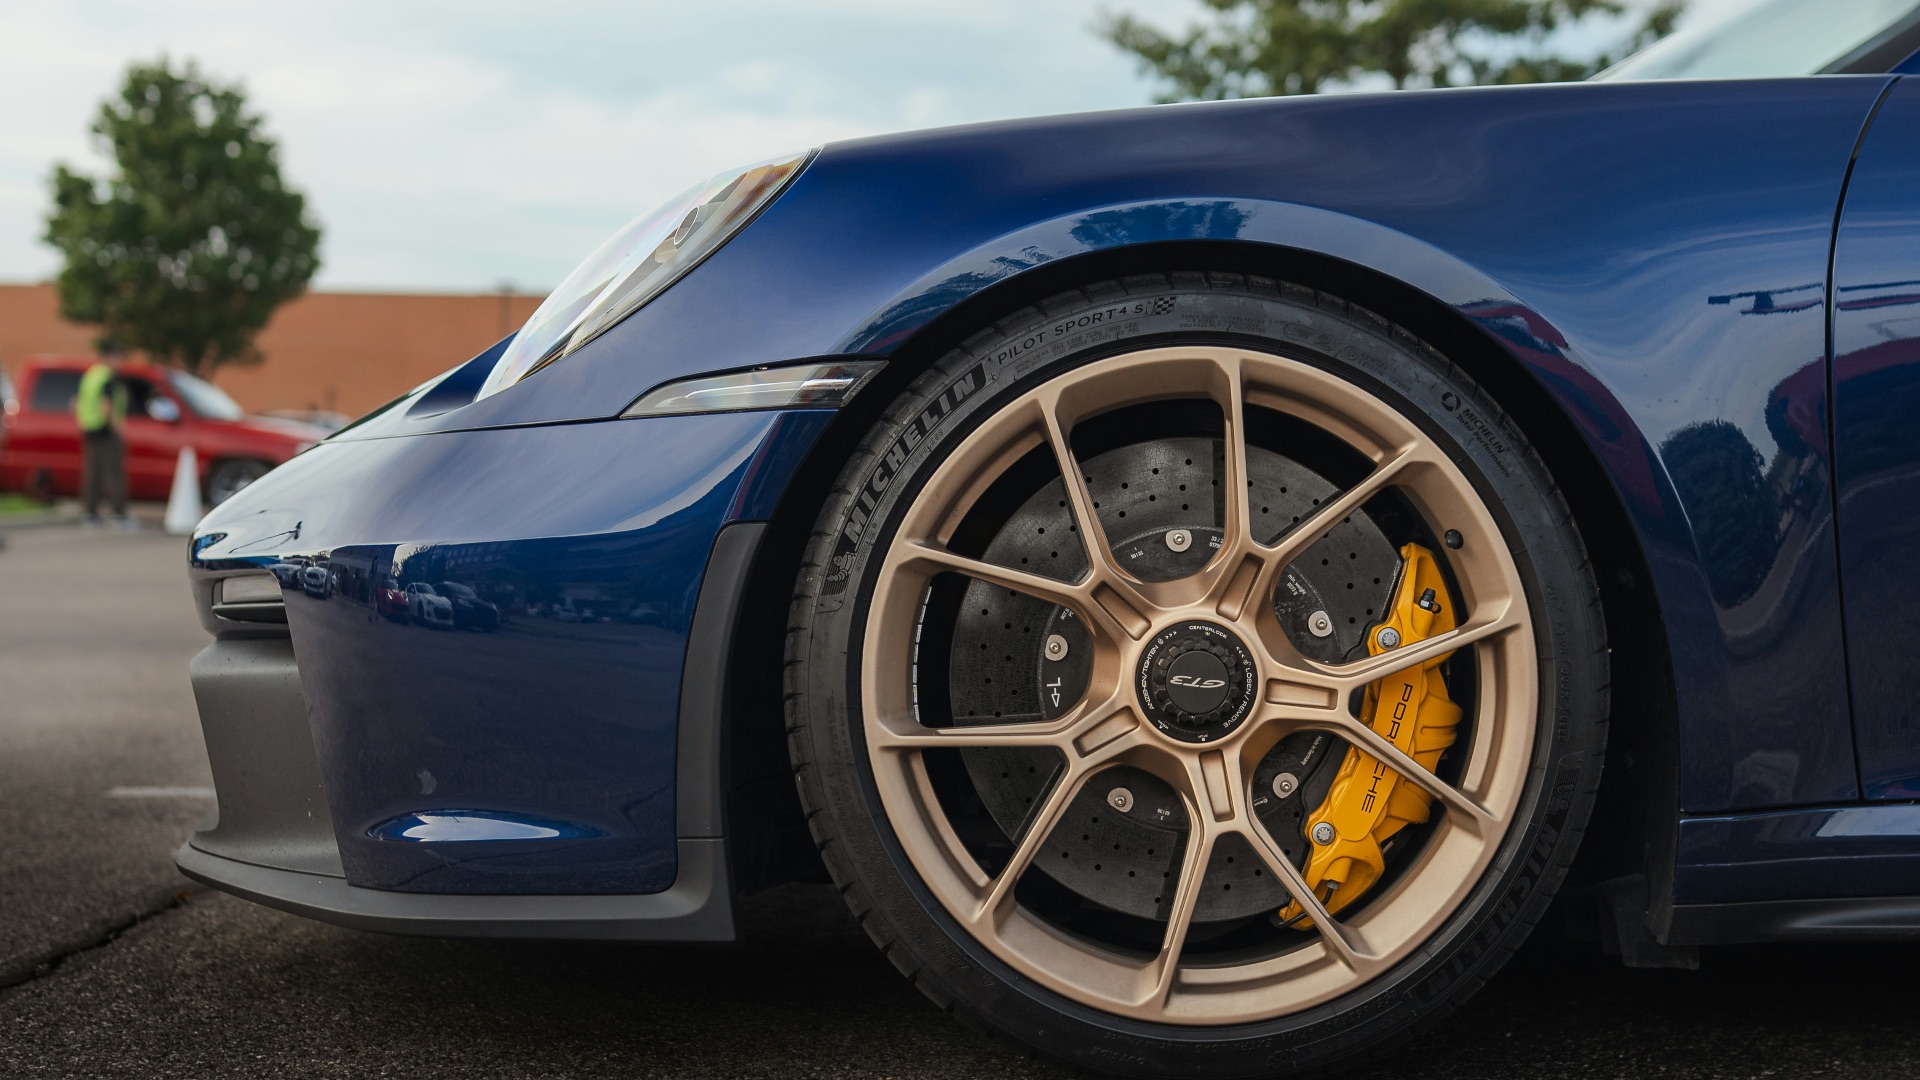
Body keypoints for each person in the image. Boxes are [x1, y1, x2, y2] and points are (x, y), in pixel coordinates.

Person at [75, 342, 135, 530]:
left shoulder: (91, 375)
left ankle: (90, 513)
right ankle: (119, 514)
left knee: (93, 473)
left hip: (90, 428)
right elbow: (106, 405)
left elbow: (77, 401)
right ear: (109, 358)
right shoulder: (107, 378)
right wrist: (117, 430)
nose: (121, 363)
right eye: (119, 358)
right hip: (106, 431)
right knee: (114, 473)